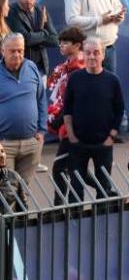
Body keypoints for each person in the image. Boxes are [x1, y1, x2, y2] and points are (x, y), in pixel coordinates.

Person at [61, 36, 123, 199]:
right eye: (88, 53)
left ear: (103, 55)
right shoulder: (75, 79)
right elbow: (67, 110)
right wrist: (72, 136)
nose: (92, 56)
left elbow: (119, 109)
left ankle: (102, 222)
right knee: (75, 189)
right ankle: (75, 222)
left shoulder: (113, 80)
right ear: (83, 54)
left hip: (103, 144)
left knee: (104, 189)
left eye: (96, 52)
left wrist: (112, 137)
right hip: (78, 144)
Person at [0, 33, 46, 187]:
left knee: (24, 191)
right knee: (7, 192)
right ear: (3, 51)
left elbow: (41, 99)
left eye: (20, 50)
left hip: (31, 143)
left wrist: (41, 131)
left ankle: (24, 211)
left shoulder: (32, 68)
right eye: (12, 51)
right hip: (5, 145)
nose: (17, 54)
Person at [45, 26, 85, 201]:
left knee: (60, 168)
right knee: (73, 167)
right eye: (60, 42)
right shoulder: (64, 68)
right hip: (66, 126)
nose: (60, 45)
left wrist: (57, 120)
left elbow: (73, 102)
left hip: (75, 127)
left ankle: (60, 207)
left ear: (77, 46)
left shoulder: (80, 70)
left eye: (66, 42)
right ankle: (67, 207)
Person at [63, 0, 124, 74]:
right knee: (88, 87)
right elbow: (71, 20)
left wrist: (119, 16)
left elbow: (118, 7)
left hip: (109, 48)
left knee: (109, 86)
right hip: (87, 51)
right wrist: (100, 20)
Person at [12, 0, 57, 75]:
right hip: (20, 69)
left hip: (41, 69)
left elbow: (55, 40)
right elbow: (26, 39)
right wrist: (44, 32)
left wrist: (36, 37)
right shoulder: (12, 11)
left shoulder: (41, 10)